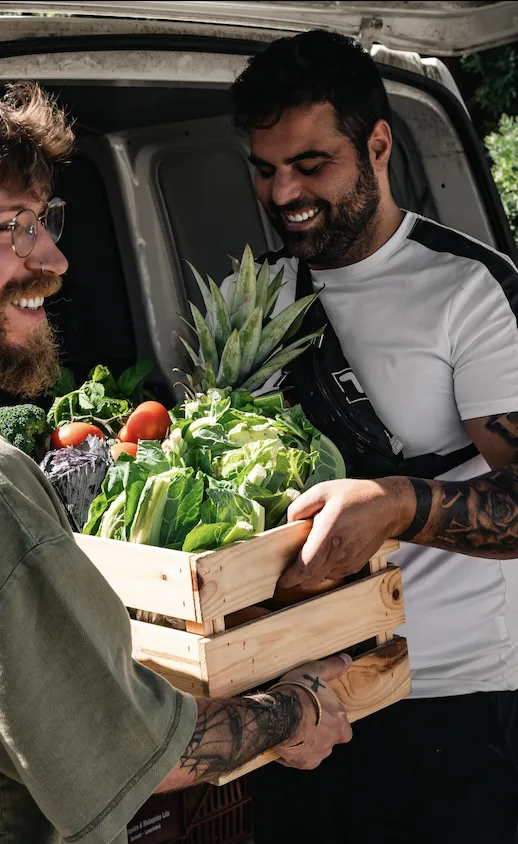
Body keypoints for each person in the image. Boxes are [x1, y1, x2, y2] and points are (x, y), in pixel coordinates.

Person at [0, 71, 353, 844]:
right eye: (9, 229)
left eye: (43, 220)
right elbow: (136, 757)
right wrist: (292, 710)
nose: (55, 259)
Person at [230, 29, 518, 844]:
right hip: (297, 707)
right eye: (264, 167)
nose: (283, 191)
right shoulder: (254, 294)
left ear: (379, 144)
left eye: (311, 164)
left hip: (448, 706)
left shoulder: (467, 289)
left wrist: (397, 503)